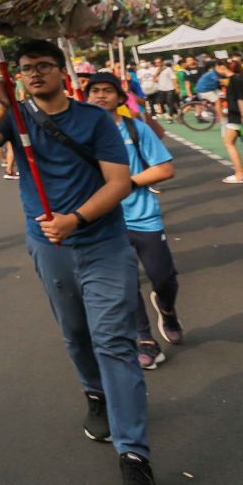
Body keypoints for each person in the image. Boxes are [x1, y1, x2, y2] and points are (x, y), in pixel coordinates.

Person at [0, 40, 154, 485]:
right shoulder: (17, 117)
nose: (34, 74)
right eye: (26, 69)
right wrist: (3, 104)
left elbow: (119, 182)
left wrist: (76, 219)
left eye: (43, 66)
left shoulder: (93, 120)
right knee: (75, 333)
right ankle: (95, 392)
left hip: (103, 243)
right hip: (48, 247)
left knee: (113, 340)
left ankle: (133, 451)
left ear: (62, 72)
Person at [85, 73, 184, 371]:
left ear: (119, 98)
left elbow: (165, 170)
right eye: (95, 91)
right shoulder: (81, 136)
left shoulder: (135, 129)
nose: (101, 96)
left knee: (163, 278)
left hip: (144, 217)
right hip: (106, 223)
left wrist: (124, 184)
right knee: (126, 283)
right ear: (86, 97)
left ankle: (166, 309)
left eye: (107, 91)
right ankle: (145, 339)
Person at [221, 59, 243, 184]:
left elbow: (241, 98)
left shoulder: (235, 80)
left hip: (237, 116)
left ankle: (239, 173)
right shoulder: (240, 79)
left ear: (222, 67)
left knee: (229, 142)